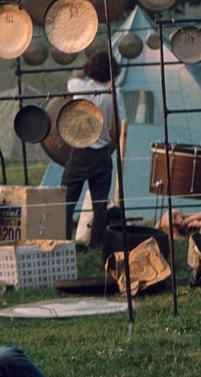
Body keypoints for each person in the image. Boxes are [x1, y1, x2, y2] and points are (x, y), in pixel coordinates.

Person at [61, 50, 120, 250]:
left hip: (80, 152)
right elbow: (116, 128)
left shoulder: (80, 87)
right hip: (102, 153)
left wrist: (86, 69)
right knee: (100, 205)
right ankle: (96, 245)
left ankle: (64, 243)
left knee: (67, 201)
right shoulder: (114, 94)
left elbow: (72, 78)